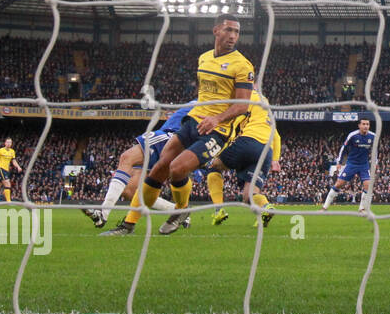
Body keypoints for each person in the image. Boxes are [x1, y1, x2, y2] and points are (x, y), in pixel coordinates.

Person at [139, 14, 255, 228]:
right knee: (160, 167)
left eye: (237, 32)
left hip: (218, 130)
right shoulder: (203, 58)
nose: (233, 36)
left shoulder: (243, 66)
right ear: (216, 30)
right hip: (194, 121)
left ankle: (182, 211)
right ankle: (130, 222)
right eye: (229, 30)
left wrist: (216, 118)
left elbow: (242, 106)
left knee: (177, 168)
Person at [83, 102, 195, 231]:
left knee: (126, 158)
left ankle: (103, 213)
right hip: (172, 137)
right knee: (130, 191)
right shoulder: (205, 95)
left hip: (170, 136)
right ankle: (180, 212)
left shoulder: (210, 99)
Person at [205, 90, 281, 229]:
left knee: (213, 166)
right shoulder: (265, 110)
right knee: (249, 196)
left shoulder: (243, 96)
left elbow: (234, 122)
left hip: (248, 141)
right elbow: (276, 136)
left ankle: (218, 210)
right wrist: (275, 160)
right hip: (266, 151)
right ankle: (265, 207)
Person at [321, 118, 376, 214]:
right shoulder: (353, 135)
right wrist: (339, 162)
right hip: (352, 164)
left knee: (368, 185)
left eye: (367, 124)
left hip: (364, 165)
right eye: (363, 124)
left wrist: (375, 162)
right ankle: (324, 207)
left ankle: (361, 209)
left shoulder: (372, 136)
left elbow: (375, 149)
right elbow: (344, 147)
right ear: (359, 125)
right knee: (339, 184)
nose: (366, 126)